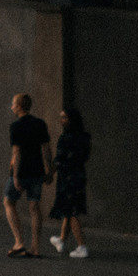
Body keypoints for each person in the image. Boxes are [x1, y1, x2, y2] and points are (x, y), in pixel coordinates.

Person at [3, 92, 51, 255]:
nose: (11, 107)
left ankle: (19, 242)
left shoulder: (16, 127)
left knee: (9, 202)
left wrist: (15, 176)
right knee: (34, 207)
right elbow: (46, 148)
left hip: (22, 171)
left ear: (19, 106)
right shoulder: (40, 124)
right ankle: (35, 247)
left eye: (13, 104)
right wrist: (48, 170)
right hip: (37, 171)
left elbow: (17, 153)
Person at [48, 106, 91, 257]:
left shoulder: (65, 138)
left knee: (72, 211)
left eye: (64, 118)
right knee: (69, 208)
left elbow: (59, 160)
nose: (61, 120)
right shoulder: (84, 137)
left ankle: (82, 246)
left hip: (67, 177)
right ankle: (61, 240)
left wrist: (49, 174)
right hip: (79, 175)